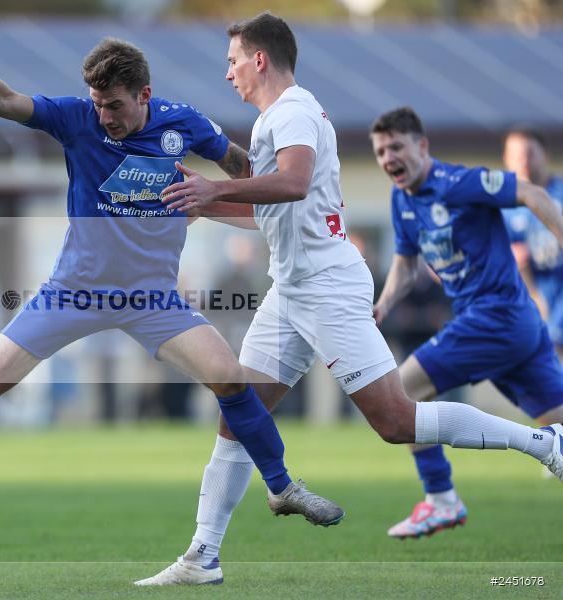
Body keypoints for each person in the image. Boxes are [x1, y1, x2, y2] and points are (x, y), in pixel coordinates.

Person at [134, 13, 563, 586]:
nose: (227, 70)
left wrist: (215, 184)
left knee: (394, 420)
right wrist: (195, 200)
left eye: (233, 58)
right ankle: (201, 557)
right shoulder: (278, 117)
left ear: (260, 59)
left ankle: (543, 442)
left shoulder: (292, 112)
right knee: (240, 414)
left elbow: (293, 182)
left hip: (327, 286)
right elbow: (270, 209)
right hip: (291, 289)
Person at [0, 31, 345, 561]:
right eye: (99, 105)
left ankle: (282, 487)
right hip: (74, 292)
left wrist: (288, 189)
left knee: (231, 380)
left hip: (153, 300)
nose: (105, 117)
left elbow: (240, 164)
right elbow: (6, 102)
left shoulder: (184, 122)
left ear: (144, 94)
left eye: (115, 105)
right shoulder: (76, 118)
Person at [368, 109, 563, 539]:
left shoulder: (460, 182)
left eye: (396, 146)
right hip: (508, 325)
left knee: (402, 393)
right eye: (381, 151)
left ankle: (441, 499)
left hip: (496, 317)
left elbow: (531, 193)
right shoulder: (402, 200)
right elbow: (405, 263)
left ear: (422, 146)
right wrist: (382, 306)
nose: (387, 158)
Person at [502, 128, 563, 355]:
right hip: (529, 304)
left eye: (529, 153)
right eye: (516, 155)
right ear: (506, 160)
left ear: (545, 154)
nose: (523, 161)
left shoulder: (559, 195)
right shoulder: (503, 208)